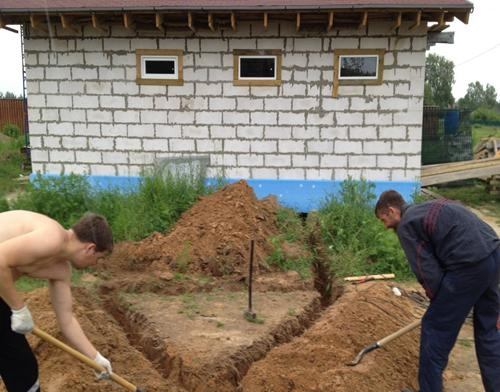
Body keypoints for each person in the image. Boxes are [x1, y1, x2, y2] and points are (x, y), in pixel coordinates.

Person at [374, 190, 500, 392]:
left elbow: (426, 272)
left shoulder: (406, 224)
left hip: (468, 266)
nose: (386, 225)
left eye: (383, 219)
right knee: (489, 330)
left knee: (434, 329)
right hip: (493, 255)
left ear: (391, 210)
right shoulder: (431, 206)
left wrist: (439, 303)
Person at [0, 210, 114, 392]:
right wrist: (18, 308)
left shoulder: (61, 270)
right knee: (20, 363)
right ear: (90, 248)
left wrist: (95, 358)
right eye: (98, 259)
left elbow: (67, 320)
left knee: (21, 366)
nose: (95, 264)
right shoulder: (52, 237)